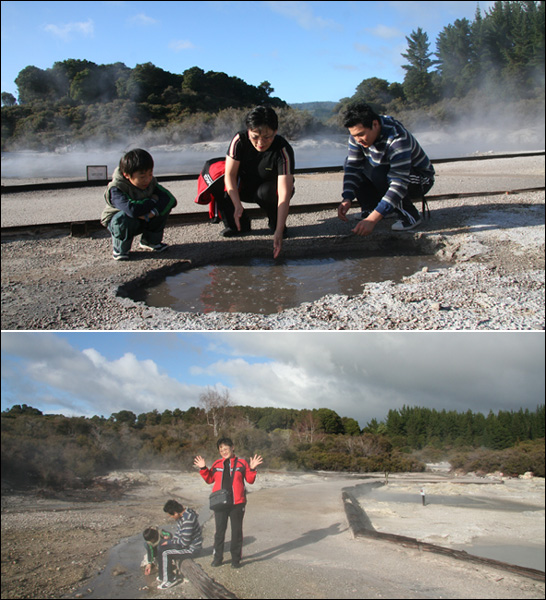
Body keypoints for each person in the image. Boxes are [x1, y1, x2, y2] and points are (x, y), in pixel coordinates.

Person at [337, 101, 435, 235]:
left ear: (375, 124)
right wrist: (347, 197)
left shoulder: (397, 138)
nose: (357, 139)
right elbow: (353, 168)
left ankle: (410, 215)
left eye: (361, 134)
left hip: (419, 178)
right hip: (387, 173)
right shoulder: (356, 136)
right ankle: (371, 208)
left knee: (381, 172)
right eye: (354, 135)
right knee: (349, 161)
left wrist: (372, 220)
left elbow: (399, 182)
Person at [217, 106, 295, 259]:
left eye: (267, 137)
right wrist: (237, 205)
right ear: (248, 131)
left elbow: (284, 194)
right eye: (255, 137)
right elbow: (230, 175)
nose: (261, 143)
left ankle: (275, 222)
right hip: (244, 186)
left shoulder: (283, 149)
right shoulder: (239, 140)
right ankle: (238, 225)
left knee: (266, 193)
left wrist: (279, 230)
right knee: (217, 180)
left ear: (276, 131)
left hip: (269, 190)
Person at [194, 437, 263, 568]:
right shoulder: (216, 464)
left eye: (226, 448)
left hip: (237, 503)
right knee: (219, 532)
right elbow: (209, 479)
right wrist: (203, 468)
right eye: (221, 450)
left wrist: (253, 468)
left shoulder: (242, 463)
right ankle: (217, 558)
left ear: (232, 448)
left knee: (236, 532)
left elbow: (250, 480)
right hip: (220, 502)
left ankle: (235, 560)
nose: (224, 451)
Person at [101, 148, 177, 260]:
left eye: (150, 174)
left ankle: (150, 241)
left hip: (143, 217)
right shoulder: (116, 188)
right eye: (142, 177)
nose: (147, 180)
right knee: (123, 218)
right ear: (127, 175)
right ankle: (121, 249)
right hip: (119, 221)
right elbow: (131, 210)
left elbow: (170, 200)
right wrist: (152, 201)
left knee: (163, 209)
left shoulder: (151, 182)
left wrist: (153, 212)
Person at [155, 499, 203, 590]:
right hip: (185, 545)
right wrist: (170, 541)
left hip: (192, 549)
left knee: (165, 552)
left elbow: (184, 542)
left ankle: (170, 579)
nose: (170, 517)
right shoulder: (182, 516)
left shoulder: (188, 519)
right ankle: (162, 575)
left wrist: (170, 542)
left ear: (176, 513)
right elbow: (178, 534)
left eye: (170, 515)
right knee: (161, 544)